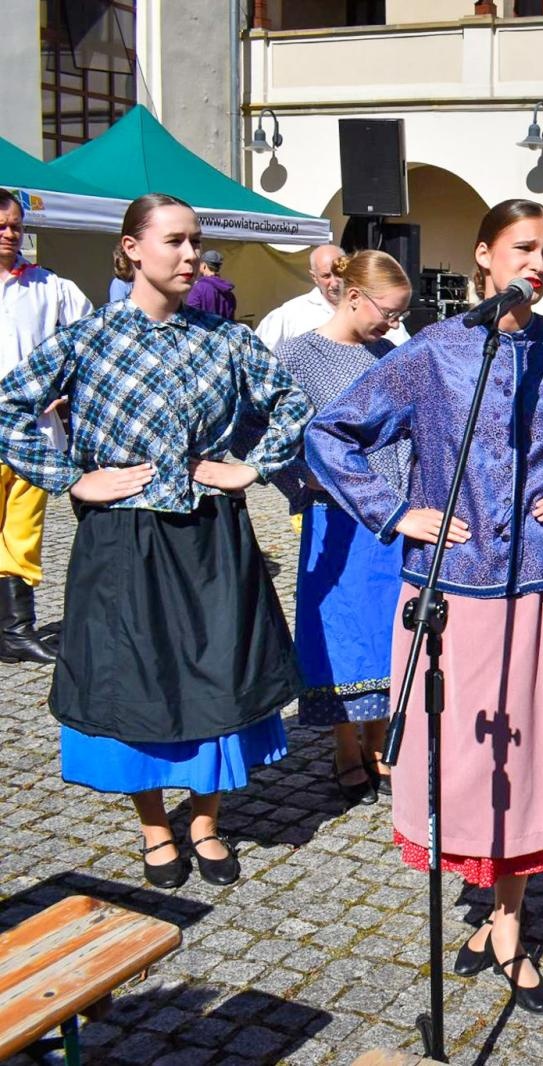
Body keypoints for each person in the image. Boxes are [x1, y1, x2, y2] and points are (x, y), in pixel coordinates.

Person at [307, 199, 543, 1015]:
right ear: (484, 255)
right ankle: (485, 903)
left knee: (530, 760)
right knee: (466, 759)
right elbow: (331, 432)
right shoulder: (432, 354)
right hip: (451, 588)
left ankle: (511, 922)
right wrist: (390, 511)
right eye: (525, 247)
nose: (540, 263)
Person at [0, 193, 309, 890]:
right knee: (135, 679)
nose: (190, 254)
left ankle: (204, 820)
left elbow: (293, 404)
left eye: (195, 241)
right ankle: (152, 827)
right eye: (174, 240)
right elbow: (10, 405)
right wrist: (72, 479)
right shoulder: (89, 336)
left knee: (218, 672)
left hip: (210, 536)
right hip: (124, 539)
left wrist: (251, 466)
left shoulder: (223, 338)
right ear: (133, 248)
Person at [272, 250, 412, 808]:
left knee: (386, 629)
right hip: (336, 522)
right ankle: (343, 745)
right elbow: (266, 432)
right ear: (353, 296)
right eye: (388, 311)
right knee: (339, 630)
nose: (393, 323)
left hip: (395, 519)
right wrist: (302, 483)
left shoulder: (391, 355)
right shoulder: (297, 356)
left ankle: (378, 740)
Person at [0, 188, 91, 664]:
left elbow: (87, 340)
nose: (10, 233)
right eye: (2, 226)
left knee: (21, 528)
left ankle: (15, 629)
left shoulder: (49, 287)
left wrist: (67, 386)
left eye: (16, 225)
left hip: (29, 434)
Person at [256, 243, 409, 352]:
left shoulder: (383, 317)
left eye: (338, 274)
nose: (335, 283)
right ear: (314, 277)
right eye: (326, 276)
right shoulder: (289, 315)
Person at [184, 249, 236, 321]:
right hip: (223, 331)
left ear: (204, 266)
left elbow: (190, 316)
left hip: (202, 331)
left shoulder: (198, 288)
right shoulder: (229, 293)